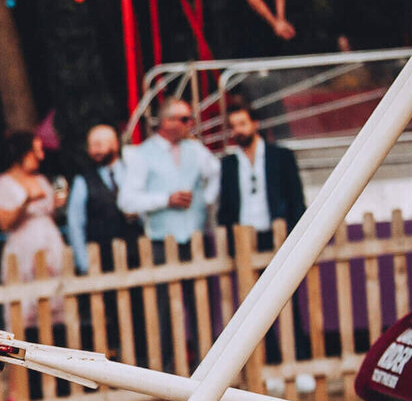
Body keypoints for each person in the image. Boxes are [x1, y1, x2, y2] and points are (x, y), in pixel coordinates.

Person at [0, 130, 68, 324]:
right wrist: (26, 203)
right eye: (36, 151)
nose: (41, 156)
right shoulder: (1, 184)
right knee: (24, 307)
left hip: (50, 241)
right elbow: (4, 223)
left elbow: (49, 212)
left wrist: (56, 203)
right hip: (23, 247)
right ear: (23, 154)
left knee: (55, 301)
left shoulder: (41, 180)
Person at [118, 99, 221, 253]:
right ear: (167, 122)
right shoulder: (142, 154)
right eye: (185, 119)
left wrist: (205, 200)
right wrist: (166, 200)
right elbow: (126, 202)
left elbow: (216, 174)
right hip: (162, 244)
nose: (190, 124)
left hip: (197, 241)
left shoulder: (196, 149)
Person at [217, 100, 307, 250]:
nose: (238, 131)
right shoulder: (229, 164)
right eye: (233, 126)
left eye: (242, 124)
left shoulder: (281, 156)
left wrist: (295, 236)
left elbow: (295, 198)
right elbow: (226, 207)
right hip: (244, 239)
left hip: (279, 235)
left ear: (255, 124)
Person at [65, 124, 141, 276]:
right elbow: (75, 224)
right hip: (102, 262)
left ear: (115, 144)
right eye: (91, 146)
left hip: (137, 256)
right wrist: (84, 264)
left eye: (99, 144)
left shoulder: (134, 173)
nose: (95, 151)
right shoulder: (82, 181)